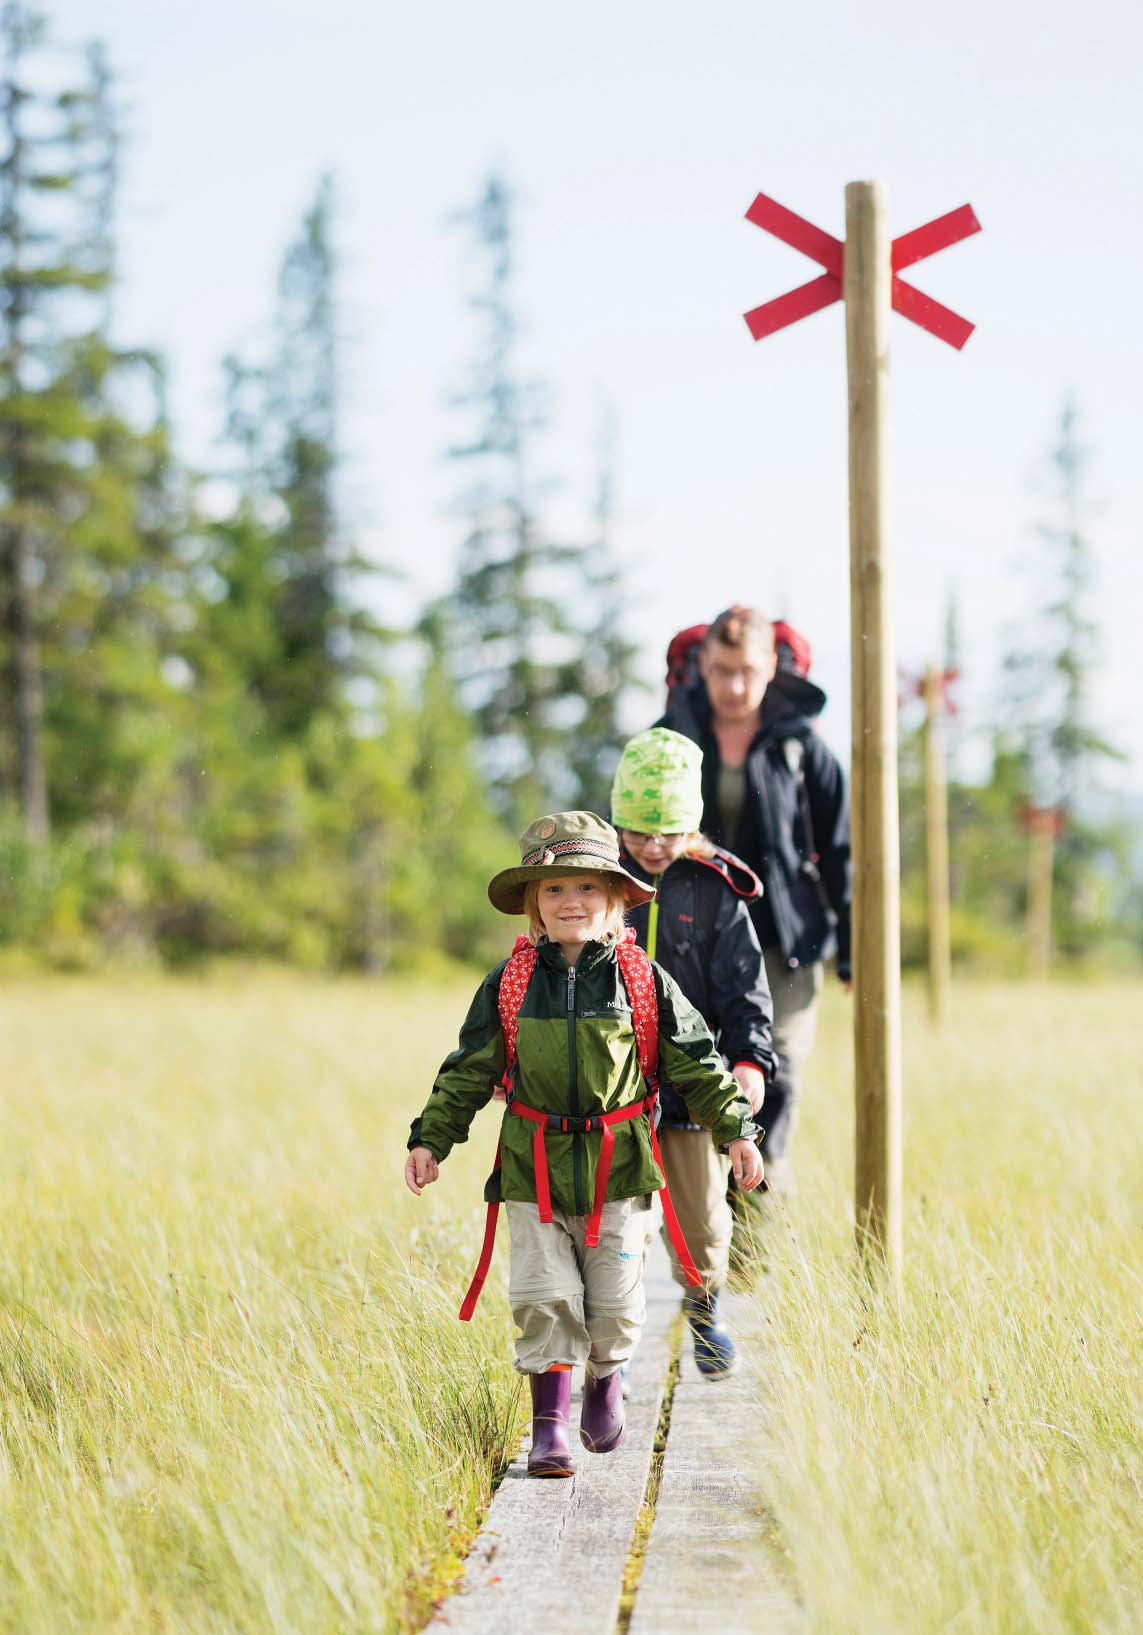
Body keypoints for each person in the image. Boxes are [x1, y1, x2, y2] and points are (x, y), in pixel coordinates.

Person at [404, 811, 763, 1478]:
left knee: (617, 1302)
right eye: (553, 890)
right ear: (533, 907)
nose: (571, 903)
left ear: (617, 898)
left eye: (587, 889)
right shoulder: (508, 983)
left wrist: (736, 1128)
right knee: (543, 1295)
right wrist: (432, 1139)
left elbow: (695, 1062)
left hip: (620, 1168)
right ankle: (547, 1428)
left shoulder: (642, 980)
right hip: (531, 1166)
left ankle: (604, 1378)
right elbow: (468, 1069)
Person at [658, 605, 851, 1227]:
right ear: (701, 668)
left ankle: (760, 1217)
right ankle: (702, 1237)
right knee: (699, 1074)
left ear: (772, 667)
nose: (734, 687)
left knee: (776, 1071)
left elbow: (842, 850)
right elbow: (638, 835)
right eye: (721, 671)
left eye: (747, 671)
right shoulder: (670, 737)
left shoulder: (802, 745)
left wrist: (852, 949)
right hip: (695, 944)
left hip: (786, 943)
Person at [611, 727, 775, 1377]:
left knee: (701, 1223)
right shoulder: (595, 881)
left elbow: (744, 987)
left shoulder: (712, 891)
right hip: (611, 1090)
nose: (651, 847)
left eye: (667, 832)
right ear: (617, 818)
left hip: (687, 1089)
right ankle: (612, 1347)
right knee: (615, 1226)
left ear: (690, 824)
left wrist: (749, 1059)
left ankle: (704, 1311)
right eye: (638, 830)